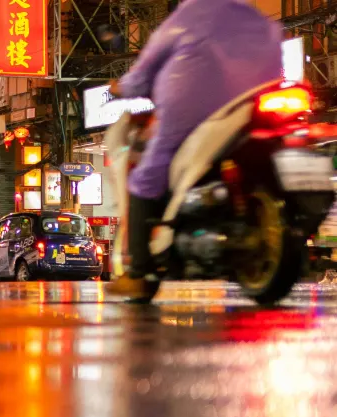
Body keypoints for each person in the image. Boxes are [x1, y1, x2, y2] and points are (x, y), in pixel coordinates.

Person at [107, 0, 282, 299]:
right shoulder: (256, 17)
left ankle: (140, 273)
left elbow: (143, 72)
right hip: (260, 100)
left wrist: (124, 86)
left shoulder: (188, 15)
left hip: (196, 107)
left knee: (146, 178)